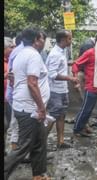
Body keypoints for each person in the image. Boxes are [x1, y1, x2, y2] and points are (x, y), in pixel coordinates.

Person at [4, 27, 50, 180]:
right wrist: (41, 107)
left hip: (24, 105)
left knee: (39, 141)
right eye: (42, 38)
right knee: (24, 146)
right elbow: (32, 83)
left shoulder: (21, 53)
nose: (44, 40)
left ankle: (39, 175)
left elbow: (17, 78)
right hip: (29, 107)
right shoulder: (32, 55)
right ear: (37, 39)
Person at [46, 29, 79, 149]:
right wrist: (70, 78)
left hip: (62, 90)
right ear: (64, 40)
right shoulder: (55, 54)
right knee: (53, 116)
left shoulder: (62, 52)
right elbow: (52, 74)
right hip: (55, 91)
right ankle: (40, 143)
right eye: (69, 38)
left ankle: (60, 141)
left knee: (61, 116)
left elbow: (60, 68)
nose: (71, 40)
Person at [72, 34, 97, 137]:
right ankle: (77, 129)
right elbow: (76, 64)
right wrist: (75, 78)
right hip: (91, 87)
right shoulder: (90, 52)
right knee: (86, 109)